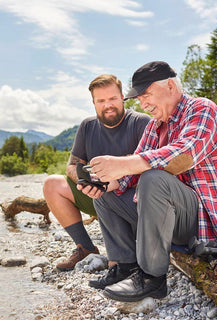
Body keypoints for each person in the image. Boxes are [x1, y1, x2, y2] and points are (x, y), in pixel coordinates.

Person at [83, 61, 217, 302]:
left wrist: (123, 163)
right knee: (106, 195)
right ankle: (127, 266)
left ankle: (152, 278)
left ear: (170, 86)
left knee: (154, 177)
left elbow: (184, 155)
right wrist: (105, 182)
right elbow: (129, 175)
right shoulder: (154, 126)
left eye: (146, 95)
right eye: (139, 99)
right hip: (170, 216)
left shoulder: (202, 109)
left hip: (204, 222)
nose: (143, 104)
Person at [42, 74, 150, 271]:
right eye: (101, 100)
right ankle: (85, 248)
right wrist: (85, 182)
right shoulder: (87, 126)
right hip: (96, 194)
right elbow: (72, 165)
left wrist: (114, 179)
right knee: (52, 184)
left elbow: (152, 166)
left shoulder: (141, 122)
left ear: (123, 98)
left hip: (132, 201)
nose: (108, 105)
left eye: (112, 99)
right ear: (93, 103)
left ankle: (130, 250)